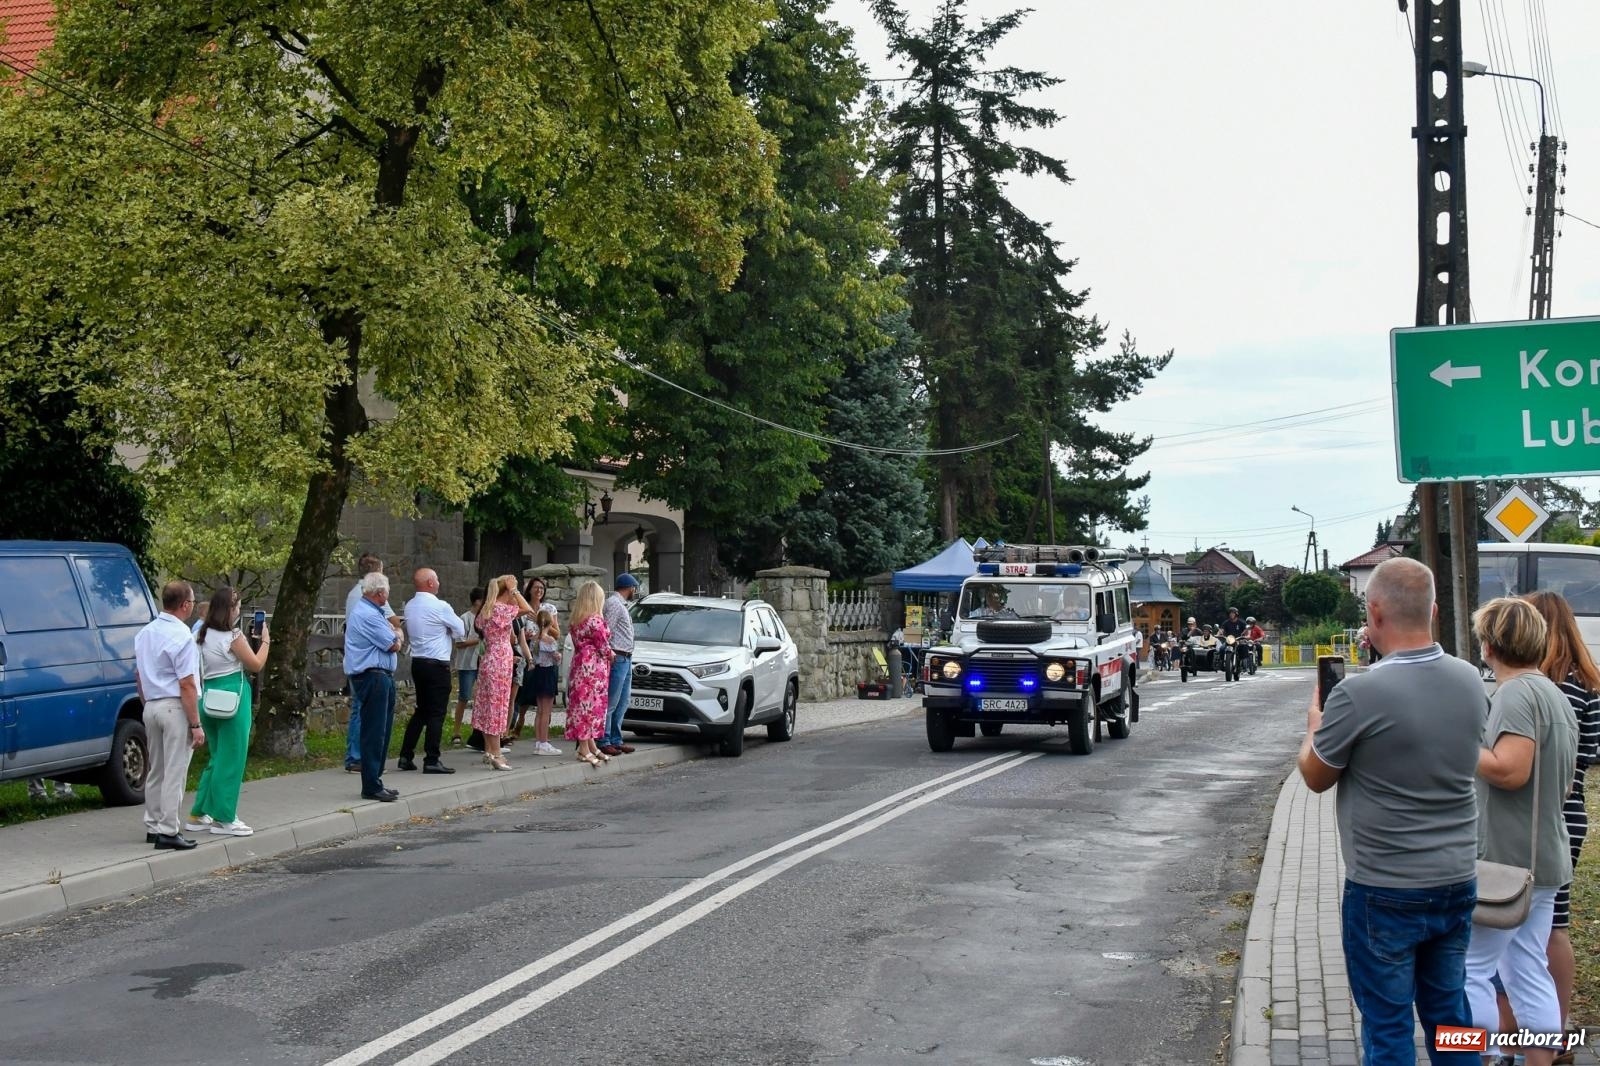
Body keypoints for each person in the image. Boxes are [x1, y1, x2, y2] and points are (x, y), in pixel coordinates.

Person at [1298, 557, 1484, 1065]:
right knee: (1452, 1017)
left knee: (1388, 1025)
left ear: (1373, 613)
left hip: (1385, 888)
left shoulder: (1359, 692)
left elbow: (1316, 777)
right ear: (1435, 611)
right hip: (1456, 877)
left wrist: (1315, 725)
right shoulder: (1471, 681)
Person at [1464, 597, 1579, 1066]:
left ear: (1489, 645)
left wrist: (1457, 743)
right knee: (1528, 969)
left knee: (1469, 969)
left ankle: (1474, 1057)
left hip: (1505, 864)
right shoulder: (1554, 693)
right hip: (1544, 857)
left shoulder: (1513, 695)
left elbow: (1511, 771)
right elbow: (1565, 780)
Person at [1517, 590, 1600, 1059]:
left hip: (1542, 816)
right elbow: (1593, 751)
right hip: (1575, 811)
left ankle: (1536, 1034)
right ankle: (1559, 1028)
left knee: (1533, 930)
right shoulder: (1587, 682)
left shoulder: (1548, 686)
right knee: (1557, 925)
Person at [186, 586, 270, 837]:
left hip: (209, 695)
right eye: (237, 607)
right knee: (232, 759)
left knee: (217, 757)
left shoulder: (202, 633)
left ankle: (199, 813)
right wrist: (265, 640)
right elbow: (255, 665)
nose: (239, 611)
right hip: (234, 695)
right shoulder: (233, 637)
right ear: (229, 610)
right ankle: (224, 817)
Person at [134, 581, 205, 850]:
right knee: (175, 770)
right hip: (175, 706)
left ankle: (152, 825)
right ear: (185, 605)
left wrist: (147, 702)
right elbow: (186, 683)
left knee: (157, 770)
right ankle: (169, 829)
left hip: (151, 705)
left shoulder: (144, 634)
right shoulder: (183, 636)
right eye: (193, 602)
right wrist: (195, 724)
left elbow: (139, 676)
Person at [397, 568, 465, 775]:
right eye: (436, 579)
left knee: (422, 710)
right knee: (436, 712)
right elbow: (460, 630)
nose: (439, 582)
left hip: (418, 662)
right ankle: (432, 758)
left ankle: (405, 755)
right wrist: (446, 631)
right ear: (429, 583)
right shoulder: (440, 606)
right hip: (437, 664)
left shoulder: (410, 606)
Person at [345, 571, 403, 802]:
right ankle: (370, 785)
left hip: (381, 676)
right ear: (381, 593)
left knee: (383, 730)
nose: (388, 596)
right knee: (374, 732)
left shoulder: (374, 612)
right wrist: (397, 634)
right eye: (387, 592)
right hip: (372, 676)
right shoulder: (367, 614)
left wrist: (394, 634)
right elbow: (392, 644)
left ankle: (376, 780)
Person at [472, 575, 536, 771]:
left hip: (489, 659)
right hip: (500, 661)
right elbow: (529, 610)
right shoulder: (502, 609)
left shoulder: (486, 609)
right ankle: (497, 754)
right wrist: (515, 590)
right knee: (497, 707)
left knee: (487, 705)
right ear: (505, 592)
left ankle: (490, 750)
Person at [566, 580, 613, 767]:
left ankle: (590, 744)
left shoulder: (577, 619)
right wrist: (612, 654)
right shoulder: (595, 620)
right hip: (594, 668)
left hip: (579, 665)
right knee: (591, 707)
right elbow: (603, 646)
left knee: (582, 706)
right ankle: (584, 748)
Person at [600, 573, 640, 758]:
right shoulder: (615, 604)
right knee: (612, 700)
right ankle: (604, 739)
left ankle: (616, 739)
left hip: (626, 657)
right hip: (618, 656)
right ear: (629, 587)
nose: (635, 592)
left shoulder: (622, 604)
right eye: (634, 588)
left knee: (622, 701)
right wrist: (609, 652)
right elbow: (606, 630)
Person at [525, 605, 563, 756]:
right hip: (547, 673)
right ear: (549, 623)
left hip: (538, 673)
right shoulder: (549, 640)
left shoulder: (535, 640)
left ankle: (538, 741)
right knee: (546, 711)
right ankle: (544, 742)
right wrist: (558, 657)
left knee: (540, 711)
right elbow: (555, 659)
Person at [450, 587, 485, 746]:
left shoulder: (486, 618)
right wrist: (480, 640)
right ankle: (456, 731)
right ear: (477, 601)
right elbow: (459, 643)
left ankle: (477, 732)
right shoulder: (465, 618)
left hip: (483, 662)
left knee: (481, 698)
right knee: (464, 697)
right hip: (467, 663)